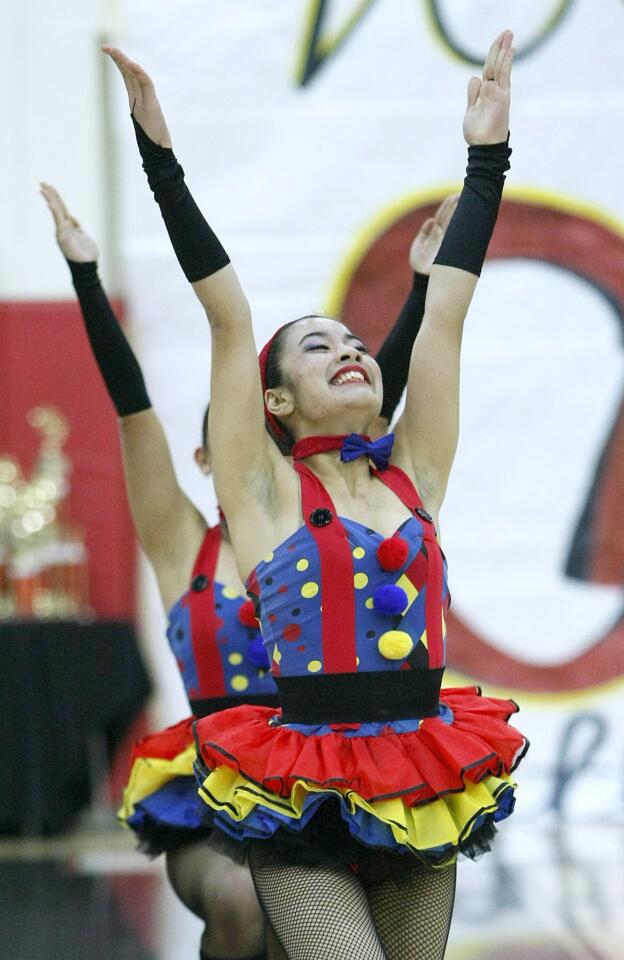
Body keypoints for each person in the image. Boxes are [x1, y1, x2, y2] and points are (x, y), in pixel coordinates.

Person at [103, 28, 527, 960]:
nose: (349, 350)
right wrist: (160, 160)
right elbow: (229, 312)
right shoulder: (258, 492)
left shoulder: (415, 469)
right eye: (319, 346)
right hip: (298, 787)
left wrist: (487, 156)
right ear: (276, 401)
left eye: (356, 342)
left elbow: (447, 309)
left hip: (421, 775)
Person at [41, 165, 455, 958]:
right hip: (219, 783)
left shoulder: (326, 527)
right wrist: (88, 279)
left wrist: (418, 291)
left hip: (334, 769)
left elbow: (381, 397)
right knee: (239, 906)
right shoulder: (181, 544)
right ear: (216, 455)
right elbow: (133, 409)